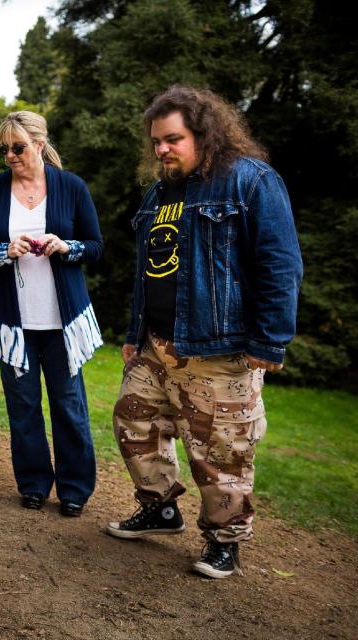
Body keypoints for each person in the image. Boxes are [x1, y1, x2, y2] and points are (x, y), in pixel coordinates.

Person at [107, 86, 303, 579]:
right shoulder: (159, 193)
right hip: (158, 342)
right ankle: (161, 507)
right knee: (134, 422)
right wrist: (136, 331)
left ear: (205, 134)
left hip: (220, 347)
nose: (161, 150)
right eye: (156, 141)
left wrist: (269, 340)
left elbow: (279, 265)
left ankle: (224, 541)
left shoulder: (249, 182)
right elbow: (148, 269)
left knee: (221, 452)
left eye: (172, 139)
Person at [0, 111, 104, 517]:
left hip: (63, 321)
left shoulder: (71, 187)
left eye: (17, 147)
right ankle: (34, 484)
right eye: (3, 149)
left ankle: (75, 489)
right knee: (22, 407)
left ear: (39, 145)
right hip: (13, 322)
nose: (9, 155)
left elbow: (95, 246)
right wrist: (2, 251)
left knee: (68, 405)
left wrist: (66, 246)